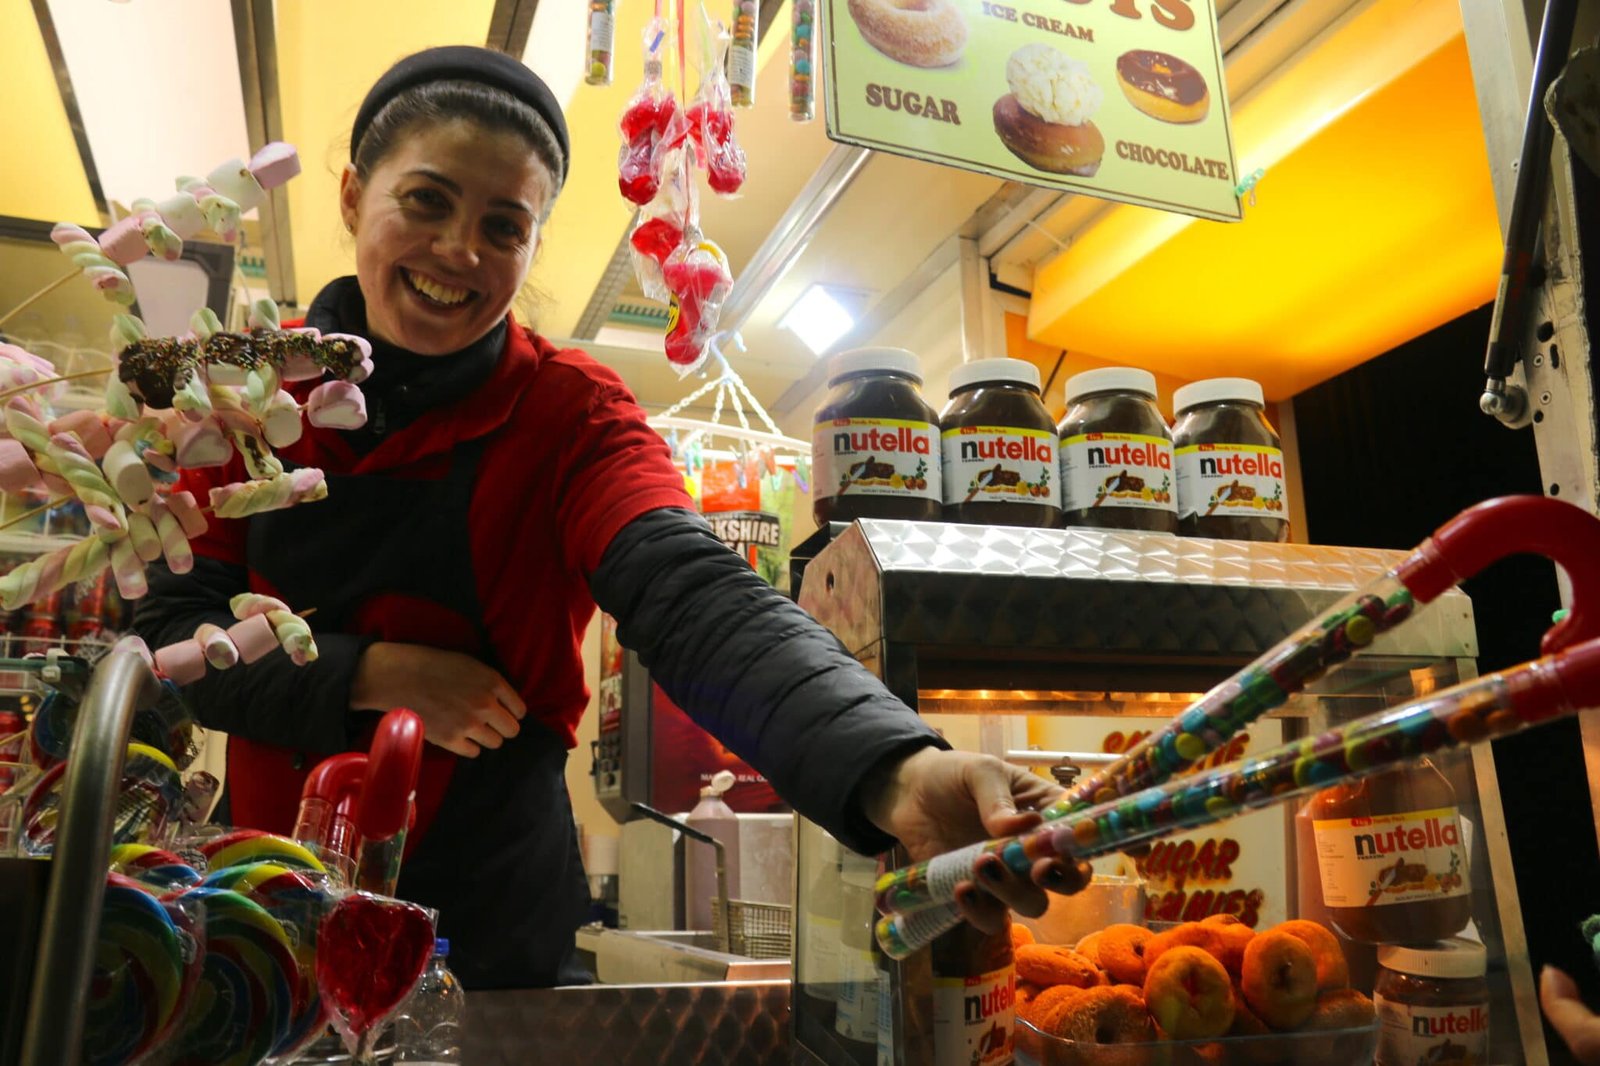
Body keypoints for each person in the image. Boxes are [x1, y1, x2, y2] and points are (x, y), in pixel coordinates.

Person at [133, 45, 1087, 989]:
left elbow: (692, 594)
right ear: (351, 196)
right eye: (426, 201)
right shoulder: (241, 397)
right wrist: (375, 674)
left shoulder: (571, 412)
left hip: (494, 921)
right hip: (272, 907)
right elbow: (171, 636)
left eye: (505, 226)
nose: (461, 250)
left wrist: (896, 767)